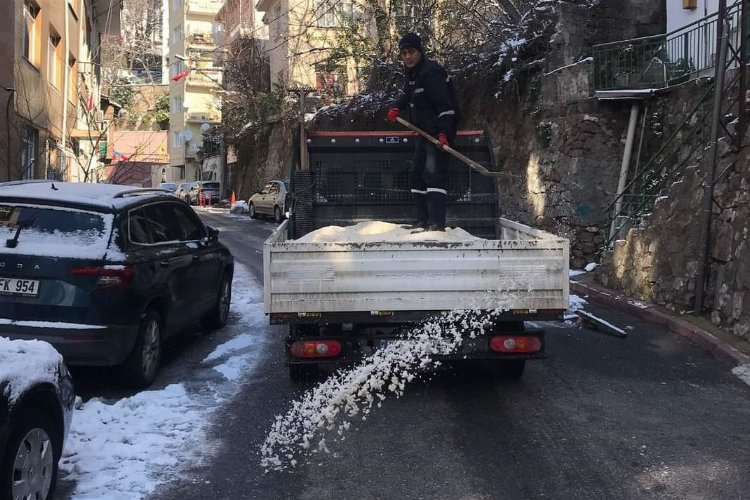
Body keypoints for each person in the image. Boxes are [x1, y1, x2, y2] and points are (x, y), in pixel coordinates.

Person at [387, 32, 459, 232]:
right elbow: (409, 94)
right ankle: (422, 221)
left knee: (433, 175)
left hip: (439, 135)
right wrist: (397, 108)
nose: (408, 57)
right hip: (423, 133)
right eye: (404, 53)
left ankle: (437, 223)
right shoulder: (413, 75)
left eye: (411, 52)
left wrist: (444, 133)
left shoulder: (431, 73)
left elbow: (446, 107)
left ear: (420, 52)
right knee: (416, 175)